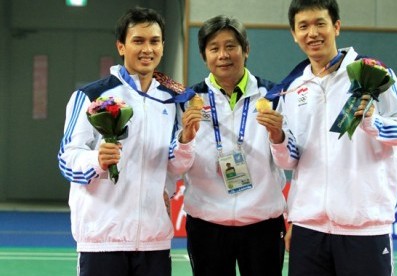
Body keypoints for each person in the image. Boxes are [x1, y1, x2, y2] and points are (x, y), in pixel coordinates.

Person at [266, 0, 397, 275]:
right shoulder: (292, 89)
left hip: (364, 228)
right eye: (303, 26)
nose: (312, 33)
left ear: (336, 27)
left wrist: (373, 121)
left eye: (320, 23)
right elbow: (291, 160)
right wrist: (277, 138)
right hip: (309, 229)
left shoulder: (373, 74)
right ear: (293, 34)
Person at [57, 7, 181, 276]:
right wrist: (96, 160)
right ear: (121, 46)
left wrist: (167, 188)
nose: (147, 49)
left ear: (162, 46)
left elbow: (172, 163)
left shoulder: (171, 100)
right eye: (138, 41)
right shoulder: (92, 95)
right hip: (102, 239)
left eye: (154, 41)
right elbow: (67, 159)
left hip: (153, 240)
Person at [169, 15, 287, 276]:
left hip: (263, 225)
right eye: (214, 48)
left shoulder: (273, 96)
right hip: (207, 225)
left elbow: (288, 160)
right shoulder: (187, 101)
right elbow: (176, 165)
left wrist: (279, 136)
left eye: (231, 46)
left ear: (246, 50)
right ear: (204, 55)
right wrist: (185, 138)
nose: (223, 55)